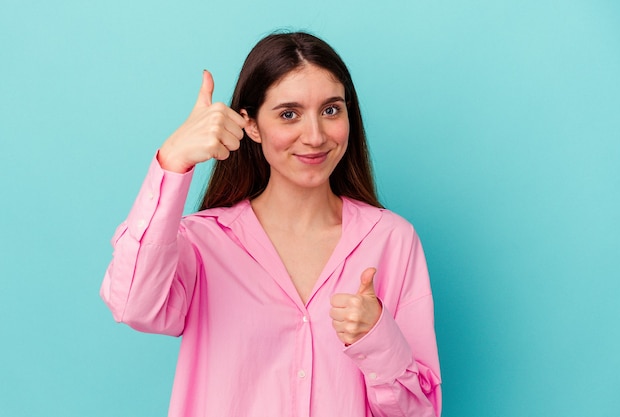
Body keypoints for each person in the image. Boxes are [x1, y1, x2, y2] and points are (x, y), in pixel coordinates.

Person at [101, 31, 442, 417]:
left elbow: (420, 411)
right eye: (289, 114)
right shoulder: (203, 242)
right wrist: (173, 161)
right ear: (251, 126)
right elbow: (133, 304)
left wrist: (378, 339)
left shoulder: (391, 240)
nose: (314, 137)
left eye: (331, 110)